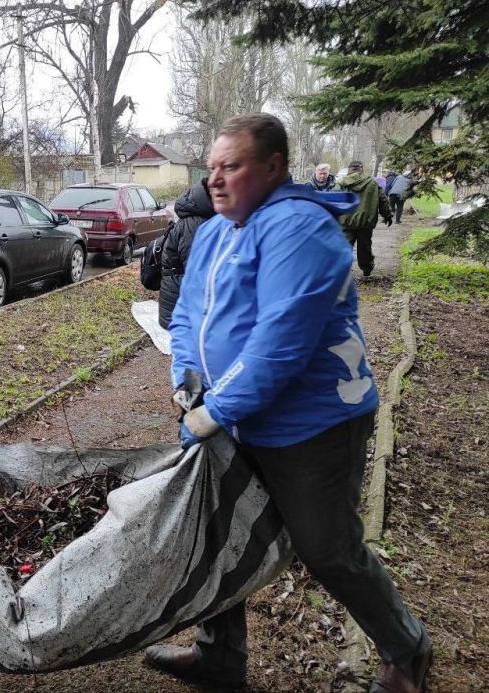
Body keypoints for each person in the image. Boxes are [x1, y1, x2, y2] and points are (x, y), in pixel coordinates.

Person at [147, 114, 431, 692]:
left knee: (327, 550)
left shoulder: (301, 229)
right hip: (235, 414)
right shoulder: (213, 233)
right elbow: (186, 316)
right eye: (211, 169)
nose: (216, 181)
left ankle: (407, 651)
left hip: (315, 423)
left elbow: (282, 342)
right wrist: (186, 376)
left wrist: (212, 411)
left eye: (233, 167)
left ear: (274, 167)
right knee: (215, 534)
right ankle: (219, 657)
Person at [154, 178, 215, 329]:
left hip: (180, 296)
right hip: (179, 298)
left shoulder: (202, 219)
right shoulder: (194, 224)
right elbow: (196, 271)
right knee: (184, 345)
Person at [339, 160, 393, 277]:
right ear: (361, 169)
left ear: (349, 169)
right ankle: (367, 269)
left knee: (345, 246)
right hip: (366, 222)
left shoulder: (341, 183)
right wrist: (387, 215)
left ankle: (343, 270)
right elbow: (382, 200)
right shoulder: (372, 183)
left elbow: (333, 201)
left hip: (346, 221)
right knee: (365, 247)